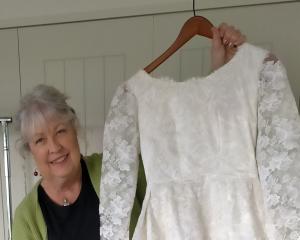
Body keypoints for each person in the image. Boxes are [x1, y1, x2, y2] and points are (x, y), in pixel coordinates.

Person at [12, 23, 245, 240]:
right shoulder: (27, 218)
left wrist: (222, 74)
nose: (54, 147)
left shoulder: (118, 168)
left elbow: (187, 166)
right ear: (29, 150)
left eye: (60, 131)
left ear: (74, 130)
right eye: (40, 140)